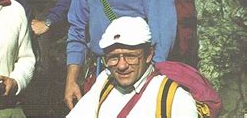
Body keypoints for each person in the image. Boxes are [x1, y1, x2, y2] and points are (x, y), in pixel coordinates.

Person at [67, 16, 197, 117]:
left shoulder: (176, 99)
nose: (122, 66)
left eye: (131, 56)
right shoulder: (105, 81)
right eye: (113, 58)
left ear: (149, 55)